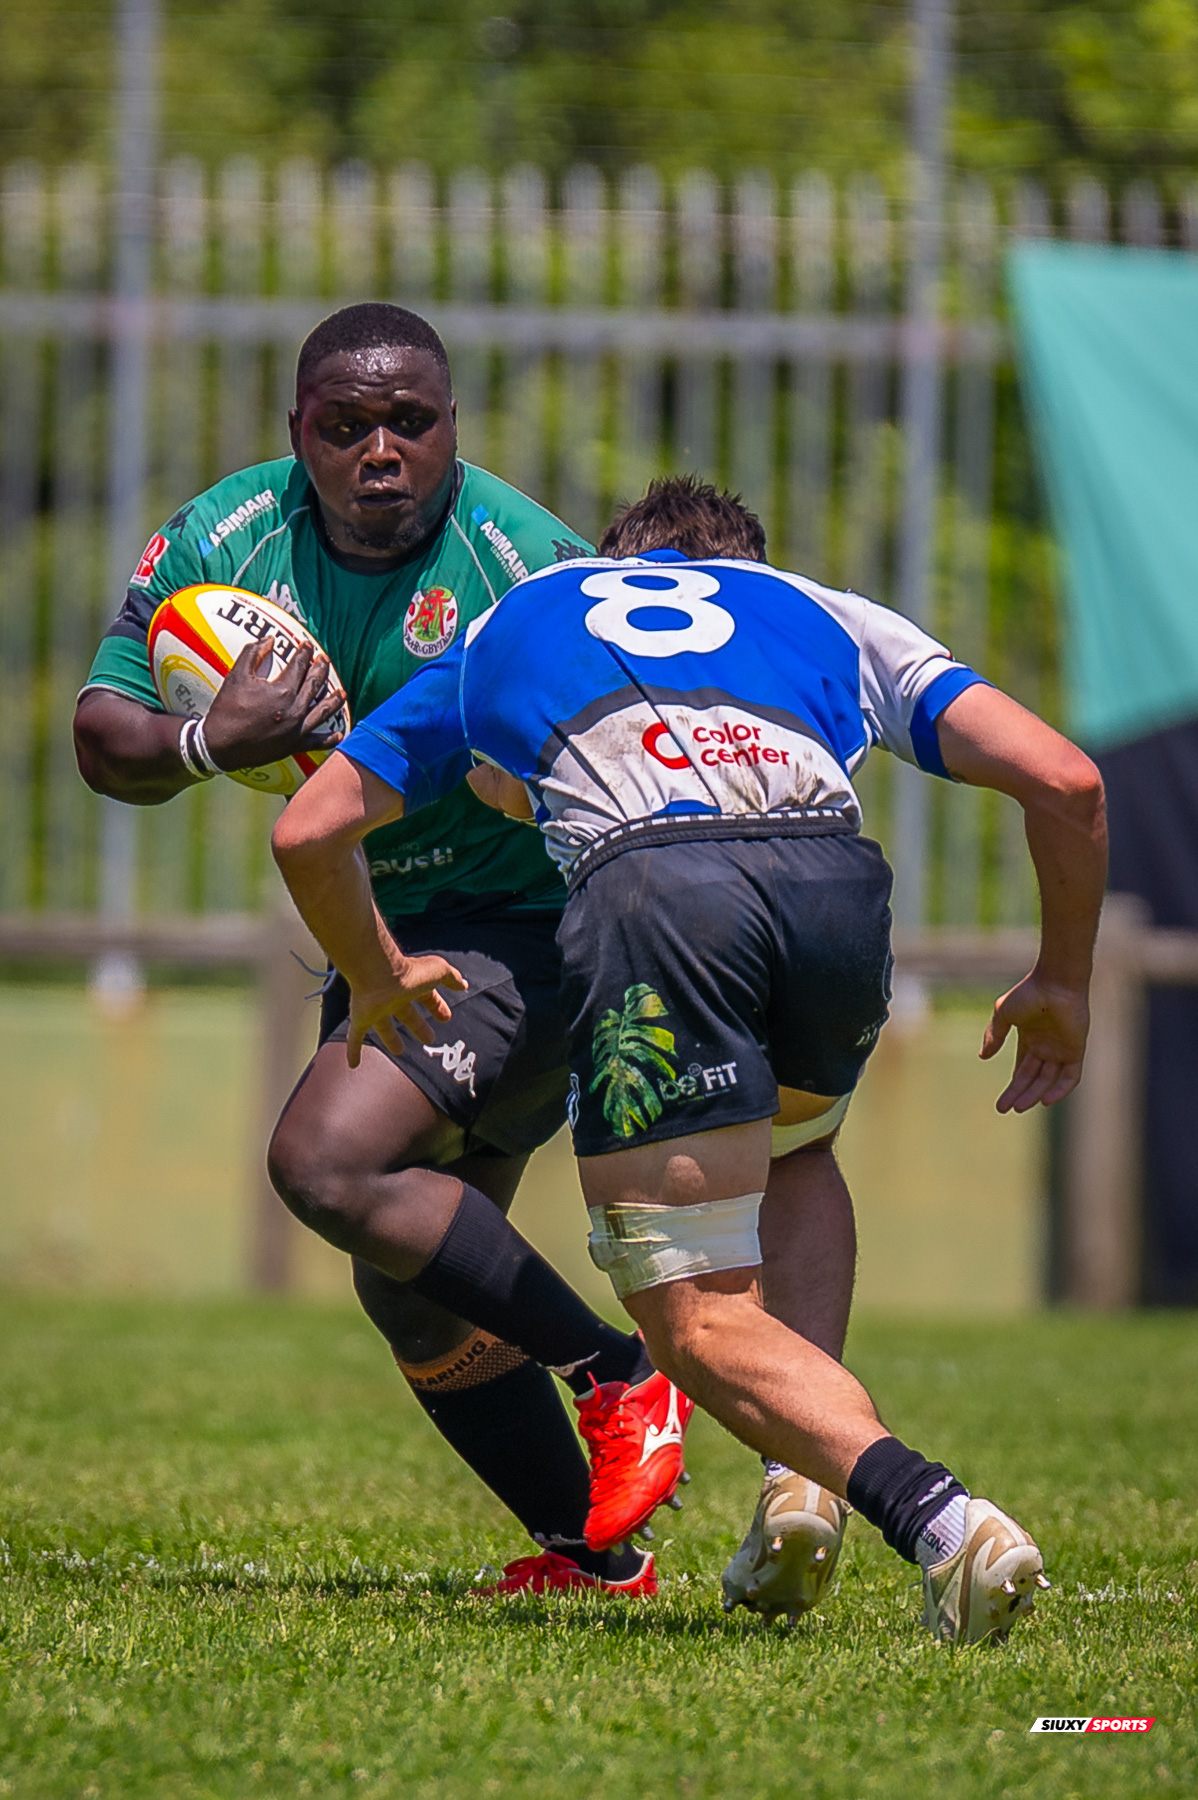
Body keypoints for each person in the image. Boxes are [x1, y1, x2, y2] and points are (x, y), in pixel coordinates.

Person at [270, 474, 1107, 1644]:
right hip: (833, 883)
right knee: (799, 1147)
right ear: (743, 566)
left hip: (658, 891)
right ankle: (792, 1482)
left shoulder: (528, 610)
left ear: (616, 560)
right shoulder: (820, 611)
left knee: (692, 1321)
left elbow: (308, 828)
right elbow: (1067, 780)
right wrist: (1061, 982)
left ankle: (939, 1519)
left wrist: (374, 973)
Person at [72, 302, 695, 1599]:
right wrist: (206, 742)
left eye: (407, 422)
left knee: (321, 1160)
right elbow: (102, 735)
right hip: (384, 936)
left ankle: (619, 1376)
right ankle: (594, 1555)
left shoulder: (524, 569)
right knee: (407, 1288)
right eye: (343, 426)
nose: (377, 450)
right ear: (297, 432)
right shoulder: (223, 548)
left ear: (450, 427)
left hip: (533, 931)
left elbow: (645, 748)